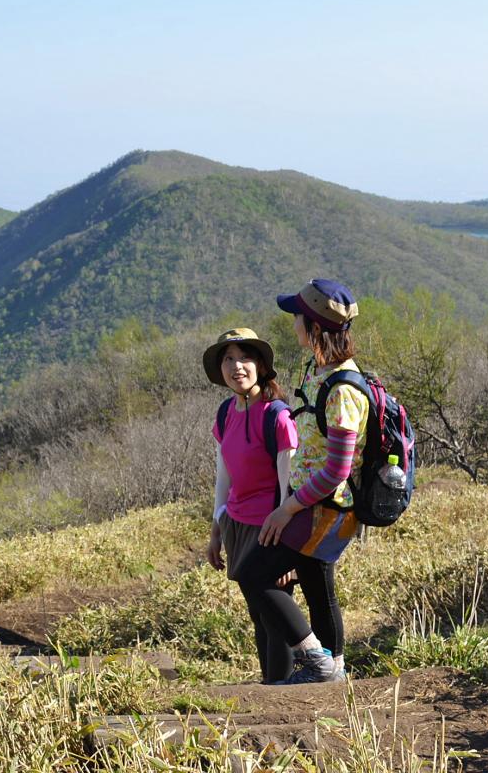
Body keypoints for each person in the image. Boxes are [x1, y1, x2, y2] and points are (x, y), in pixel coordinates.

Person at [233, 279, 368, 684]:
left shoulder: (343, 388)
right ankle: (334, 671)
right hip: (312, 505)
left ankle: (315, 662)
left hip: (323, 508)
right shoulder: (317, 368)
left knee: (253, 574)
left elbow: (336, 471)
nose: (292, 323)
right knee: (316, 584)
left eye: (297, 316)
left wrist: (287, 506)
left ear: (313, 327)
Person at [200, 327, 335, 685]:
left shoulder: (277, 415)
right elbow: (223, 475)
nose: (236, 366)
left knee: (272, 613)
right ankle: (273, 683)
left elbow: (286, 484)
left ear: (261, 365)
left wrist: (285, 547)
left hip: (272, 525)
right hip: (237, 523)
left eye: (244, 357)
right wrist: (216, 527)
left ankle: (285, 683)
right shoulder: (226, 412)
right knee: (258, 613)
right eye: (228, 359)